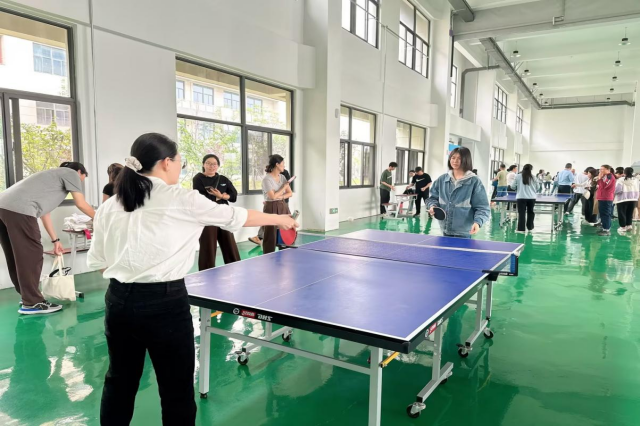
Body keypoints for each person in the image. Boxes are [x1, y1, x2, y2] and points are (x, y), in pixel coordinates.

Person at [87, 133, 298, 426]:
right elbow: (236, 217)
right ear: (166, 162)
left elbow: (100, 263)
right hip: (165, 304)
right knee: (176, 388)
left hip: (118, 302)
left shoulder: (111, 205)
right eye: (179, 162)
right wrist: (282, 219)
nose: (180, 167)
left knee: (119, 381)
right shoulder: (181, 198)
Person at [0, 162, 95, 315]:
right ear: (79, 172)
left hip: (3, 206)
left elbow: (45, 214)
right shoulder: (71, 173)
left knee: (15, 255)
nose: (79, 184)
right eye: (82, 179)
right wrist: (101, 219)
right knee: (32, 254)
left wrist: (55, 240)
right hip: (20, 209)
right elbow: (81, 203)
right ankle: (33, 302)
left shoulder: (49, 179)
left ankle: (27, 297)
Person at [427, 147, 490, 238]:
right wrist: (432, 206)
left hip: (464, 232)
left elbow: (482, 207)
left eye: (459, 158)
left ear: (466, 160)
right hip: (444, 229)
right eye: (453, 158)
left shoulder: (474, 182)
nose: (455, 161)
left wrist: (478, 222)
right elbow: (432, 198)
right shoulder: (442, 179)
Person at [193, 154, 241, 269]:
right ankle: (206, 273)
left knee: (229, 244)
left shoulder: (223, 179)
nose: (211, 166)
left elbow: (234, 196)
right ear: (203, 164)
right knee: (208, 247)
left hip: (224, 214)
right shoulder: (198, 178)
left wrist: (222, 196)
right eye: (208, 163)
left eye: (214, 164)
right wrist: (218, 197)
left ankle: (236, 268)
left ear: (218, 166)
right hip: (207, 217)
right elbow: (199, 198)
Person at [249, 169, 291, 246]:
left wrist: (279, 196)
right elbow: (271, 194)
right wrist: (268, 199)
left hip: (282, 202)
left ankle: (260, 237)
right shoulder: (268, 178)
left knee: (282, 223)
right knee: (269, 221)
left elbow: (287, 190)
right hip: (272, 203)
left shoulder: (283, 174)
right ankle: (260, 237)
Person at [261, 155, 293, 254]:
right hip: (270, 207)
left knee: (286, 232)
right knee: (270, 235)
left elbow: (290, 193)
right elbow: (272, 197)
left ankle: (286, 254)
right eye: (283, 163)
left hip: (283, 205)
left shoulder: (282, 177)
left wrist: (280, 196)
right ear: (277, 164)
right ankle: (268, 256)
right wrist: (283, 188)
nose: (284, 165)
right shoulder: (267, 179)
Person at [512, 164, 541, 233]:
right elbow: (538, 188)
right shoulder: (534, 177)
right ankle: (530, 228)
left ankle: (521, 229)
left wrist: (518, 187)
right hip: (532, 197)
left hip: (521, 197)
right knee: (530, 212)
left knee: (521, 213)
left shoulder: (518, 176)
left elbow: (513, 187)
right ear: (531, 169)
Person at [614, 167, 639, 234]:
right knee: (629, 212)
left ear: (624, 172)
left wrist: (613, 193)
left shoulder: (621, 180)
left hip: (622, 199)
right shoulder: (636, 180)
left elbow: (618, 190)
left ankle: (623, 227)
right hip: (633, 198)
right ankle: (629, 225)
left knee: (622, 213)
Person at [595, 164, 616, 236]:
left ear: (608, 170)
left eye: (602, 169)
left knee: (606, 214)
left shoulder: (610, 177)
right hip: (601, 197)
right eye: (600, 169)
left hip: (606, 198)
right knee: (602, 213)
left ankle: (606, 230)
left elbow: (604, 186)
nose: (600, 171)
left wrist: (600, 178)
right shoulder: (605, 176)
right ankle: (604, 227)